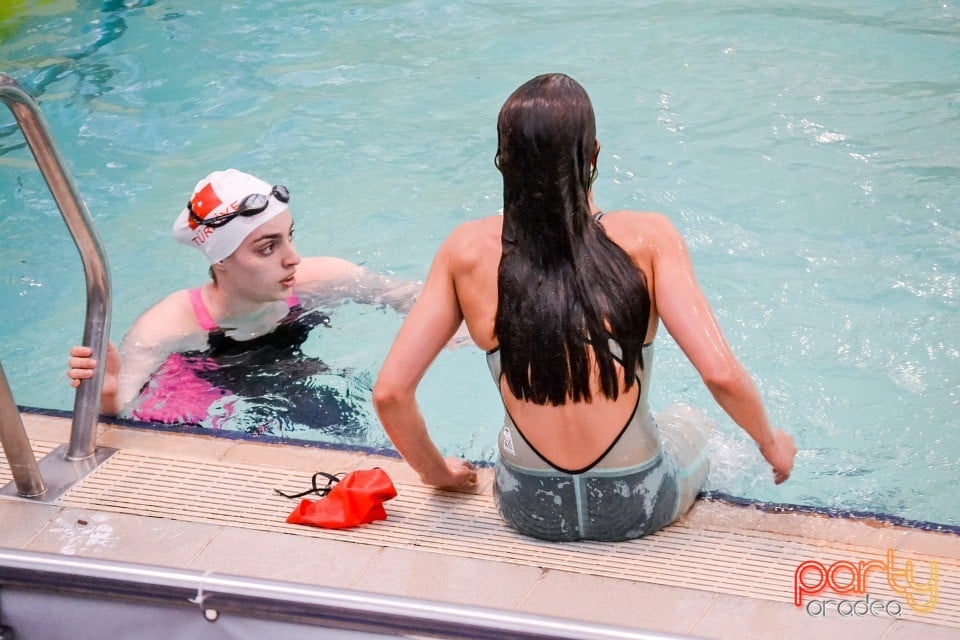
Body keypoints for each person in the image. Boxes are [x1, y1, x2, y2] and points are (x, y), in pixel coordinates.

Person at [373, 73, 797, 542]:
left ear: (504, 160)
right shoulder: (648, 238)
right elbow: (720, 374)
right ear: (593, 155)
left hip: (528, 505)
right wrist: (771, 443)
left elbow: (391, 393)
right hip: (636, 500)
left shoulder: (465, 251)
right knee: (692, 419)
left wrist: (438, 475)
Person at [68, 168, 418, 430]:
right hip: (216, 385)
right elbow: (119, 413)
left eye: (289, 237)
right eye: (268, 247)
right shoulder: (167, 326)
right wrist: (108, 398)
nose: (292, 257)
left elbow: (411, 296)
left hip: (296, 374)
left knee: (347, 419)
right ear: (220, 259)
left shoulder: (319, 279)